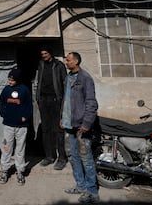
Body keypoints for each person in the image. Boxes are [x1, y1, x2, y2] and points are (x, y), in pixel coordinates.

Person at [61, 52, 99, 204]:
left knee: (86, 159)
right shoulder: (68, 78)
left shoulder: (85, 79)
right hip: (69, 124)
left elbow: (91, 103)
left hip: (81, 126)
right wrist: (62, 118)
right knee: (72, 156)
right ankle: (81, 186)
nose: (66, 62)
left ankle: (92, 192)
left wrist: (87, 124)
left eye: (68, 60)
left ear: (76, 61)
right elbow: (66, 100)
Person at [0, 67, 33, 186]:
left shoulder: (25, 90)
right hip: (8, 124)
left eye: (12, 80)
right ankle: (5, 170)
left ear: (17, 79)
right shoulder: (6, 90)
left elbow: (29, 105)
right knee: (7, 148)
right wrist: (4, 114)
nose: (10, 82)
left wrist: (25, 117)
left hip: (21, 126)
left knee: (20, 149)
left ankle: (20, 171)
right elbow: (1, 102)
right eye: (9, 79)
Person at [35, 46, 67, 170]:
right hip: (43, 100)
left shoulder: (59, 65)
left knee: (58, 130)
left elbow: (65, 84)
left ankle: (62, 158)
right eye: (42, 53)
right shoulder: (41, 65)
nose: (43, 55)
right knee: (45, 130)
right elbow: (37, 82)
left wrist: (64, 102)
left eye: (46, 53)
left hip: (55, 101)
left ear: (51, 53)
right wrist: (37, 98)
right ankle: (49, 156)